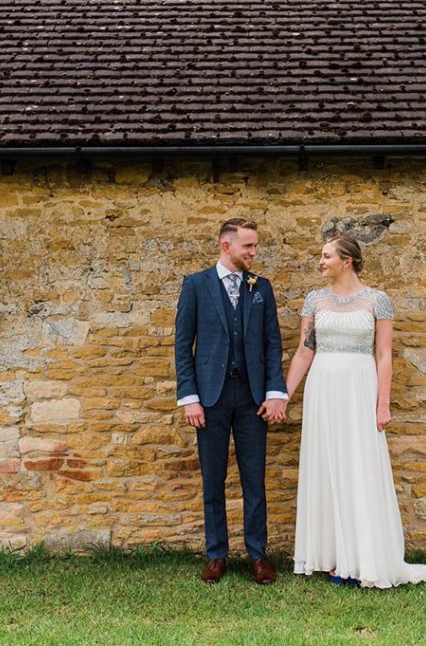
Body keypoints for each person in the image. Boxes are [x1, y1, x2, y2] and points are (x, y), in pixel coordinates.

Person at [285, 234, 426, 589]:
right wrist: (284, 395)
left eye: (326, 256)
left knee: (358, 465)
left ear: (347, 261)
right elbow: (304, 352)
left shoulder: (377, 301)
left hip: (359, 387)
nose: (320, 262)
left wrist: (382, 403)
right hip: (323, 388)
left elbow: (383, 355)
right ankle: (335, 556)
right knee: (328, 466)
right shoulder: (314, 300)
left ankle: (363, 557)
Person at [174, 218, 288, 585]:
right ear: (227, 246)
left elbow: (273, 343)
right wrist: (190, 398)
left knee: (254, 478)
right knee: (213, 478)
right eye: (248, 247)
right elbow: (183, 345)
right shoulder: (196, 285)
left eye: (254, 246)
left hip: (253, 398)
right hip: (210, 398)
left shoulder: (262, 288)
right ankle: (216, 554)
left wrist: (274, 393)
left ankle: (258, 554)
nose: (254, 252)